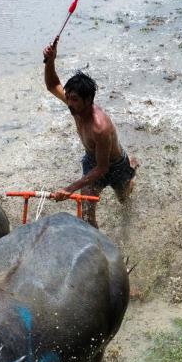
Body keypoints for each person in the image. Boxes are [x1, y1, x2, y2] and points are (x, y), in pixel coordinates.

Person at [42, 38, 137, 228]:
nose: (69, 103)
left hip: (115, 165)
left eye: (74, 99)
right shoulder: (74, 107)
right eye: (68, 97)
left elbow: (103, 169)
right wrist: (51, 60)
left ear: (89, 100)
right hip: (92, 160)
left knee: (124, 200)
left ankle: (131, 171)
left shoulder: (100, 128)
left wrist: (69, 189)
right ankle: (94, 241)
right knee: (86, 208)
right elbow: (53, 85)